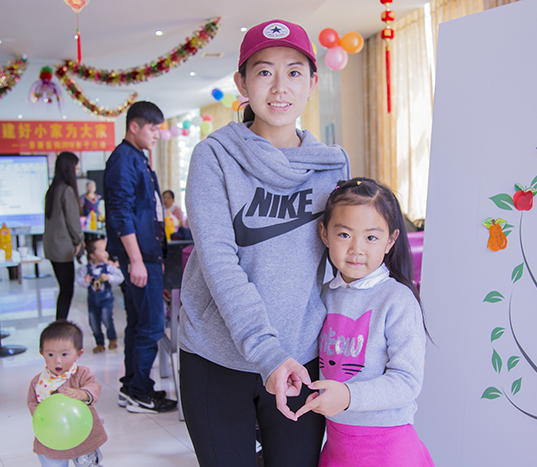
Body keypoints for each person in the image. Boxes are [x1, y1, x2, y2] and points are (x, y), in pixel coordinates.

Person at [178, 19, 350, 467]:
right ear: (242, 83)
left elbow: (343, 262)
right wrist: (268, 354)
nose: (280, 87)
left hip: (301, 355)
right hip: (217, 357)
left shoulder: (331, 166)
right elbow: (219, 261)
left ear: (312, 82)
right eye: (264, 72)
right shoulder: (214, 156)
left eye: (294, 72)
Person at [295, 177, 434, 467]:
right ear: (324, 234)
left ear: (390, 240)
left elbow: (407, 381)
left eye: (371, 238)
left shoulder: (397, 300)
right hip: (337, 443)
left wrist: (348, 396)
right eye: (345, 235)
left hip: (388, 448)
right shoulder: (324, 294)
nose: (357, 249)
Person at [104, 100, 177, 414]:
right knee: (151, 325)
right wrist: (136, 260)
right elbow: (120, 212)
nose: (157, 134)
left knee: (138, 323)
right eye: (153, 128)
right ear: (134, 126)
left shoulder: (136, 158)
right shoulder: (124, 159)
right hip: (141, 257)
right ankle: (139, 392)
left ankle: (132, 387)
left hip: (146, 255)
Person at [27, 320, 108, 466]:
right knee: (52, 460)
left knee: (87, 462)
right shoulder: (38, 382)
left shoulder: (81, 373)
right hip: (53, 434)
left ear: (78, 354)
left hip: (82, 433)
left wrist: (82, 394)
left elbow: (94, 386)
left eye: (64, 354)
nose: (57, 361)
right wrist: (44, 417)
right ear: (42, 353)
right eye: (50, 354)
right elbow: (32, 403)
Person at [44, 152, 84, 320]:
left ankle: (60, 323)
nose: (77, 172)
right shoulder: (67, 190)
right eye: (76, 169)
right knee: (67, 290)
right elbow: (73, 222)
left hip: (52, 247)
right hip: (63, 248)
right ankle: (60, 325)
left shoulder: (52, 189)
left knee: (63, 288)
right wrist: (79, 241)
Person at [77, 238, 124, 353]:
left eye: (106, 250)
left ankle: (112, 339)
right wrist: (85, 281)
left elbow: (121, 277)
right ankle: (99, 343)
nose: (106, 253)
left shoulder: (108, 267)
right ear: (92, 255)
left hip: (106, 299)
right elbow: (79, 282)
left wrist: (109, 278)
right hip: (92, 301)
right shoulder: (86, 269)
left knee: (107, 318)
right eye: (102, 251)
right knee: (93, 322)